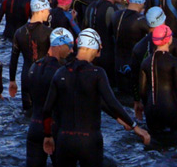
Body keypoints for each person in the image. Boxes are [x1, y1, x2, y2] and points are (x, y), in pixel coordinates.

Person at [42, 29, 150, 165]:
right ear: (94, 48)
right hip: (90, 140)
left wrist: (47, 135)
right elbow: (111, 101)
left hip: (65, 139)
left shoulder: (60, 72)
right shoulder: (97, 73)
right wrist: (134, 126)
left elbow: (47, 109)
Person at [130, 6, 177, 119]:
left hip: (151, 104)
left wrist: (137, 101)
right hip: (173, 103)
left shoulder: (138, 47)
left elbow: (134, 77)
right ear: (164, 20)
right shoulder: (173, 44)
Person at [25, 28, 74, 167]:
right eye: (69, 46)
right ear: (59, 45)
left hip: (34, 127)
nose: (71, 51)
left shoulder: (34, 67)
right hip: (54, 131)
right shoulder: (61, 71)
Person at [139, 24, 177, 133]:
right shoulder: (174, 62)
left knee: (156, 142)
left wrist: (146, 106)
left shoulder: (145, 62)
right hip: (171, 109)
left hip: (151, 110)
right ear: (169, 39)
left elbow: (142, 91)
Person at [9, 0, 53, 111]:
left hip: (26, 76)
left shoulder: (19, 32)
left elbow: (13, 59)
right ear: (42, 10)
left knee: (27, 113)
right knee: (43, 113)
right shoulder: (49, 32)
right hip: (43, 76)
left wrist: (12, 80)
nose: (49, 13)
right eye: (48, 10)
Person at [83, 0, 124, 85]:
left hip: (89, 52)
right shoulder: (112, 9)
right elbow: (118, 33)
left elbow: (84, 27)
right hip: (107, 53)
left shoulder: (91, 6)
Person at [111, 0, 148, 93]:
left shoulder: (116, 15)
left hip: (118, 62)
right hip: (133, 63)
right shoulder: (141, 20)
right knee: (134, 95)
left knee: (122, 94)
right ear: (141, 2)